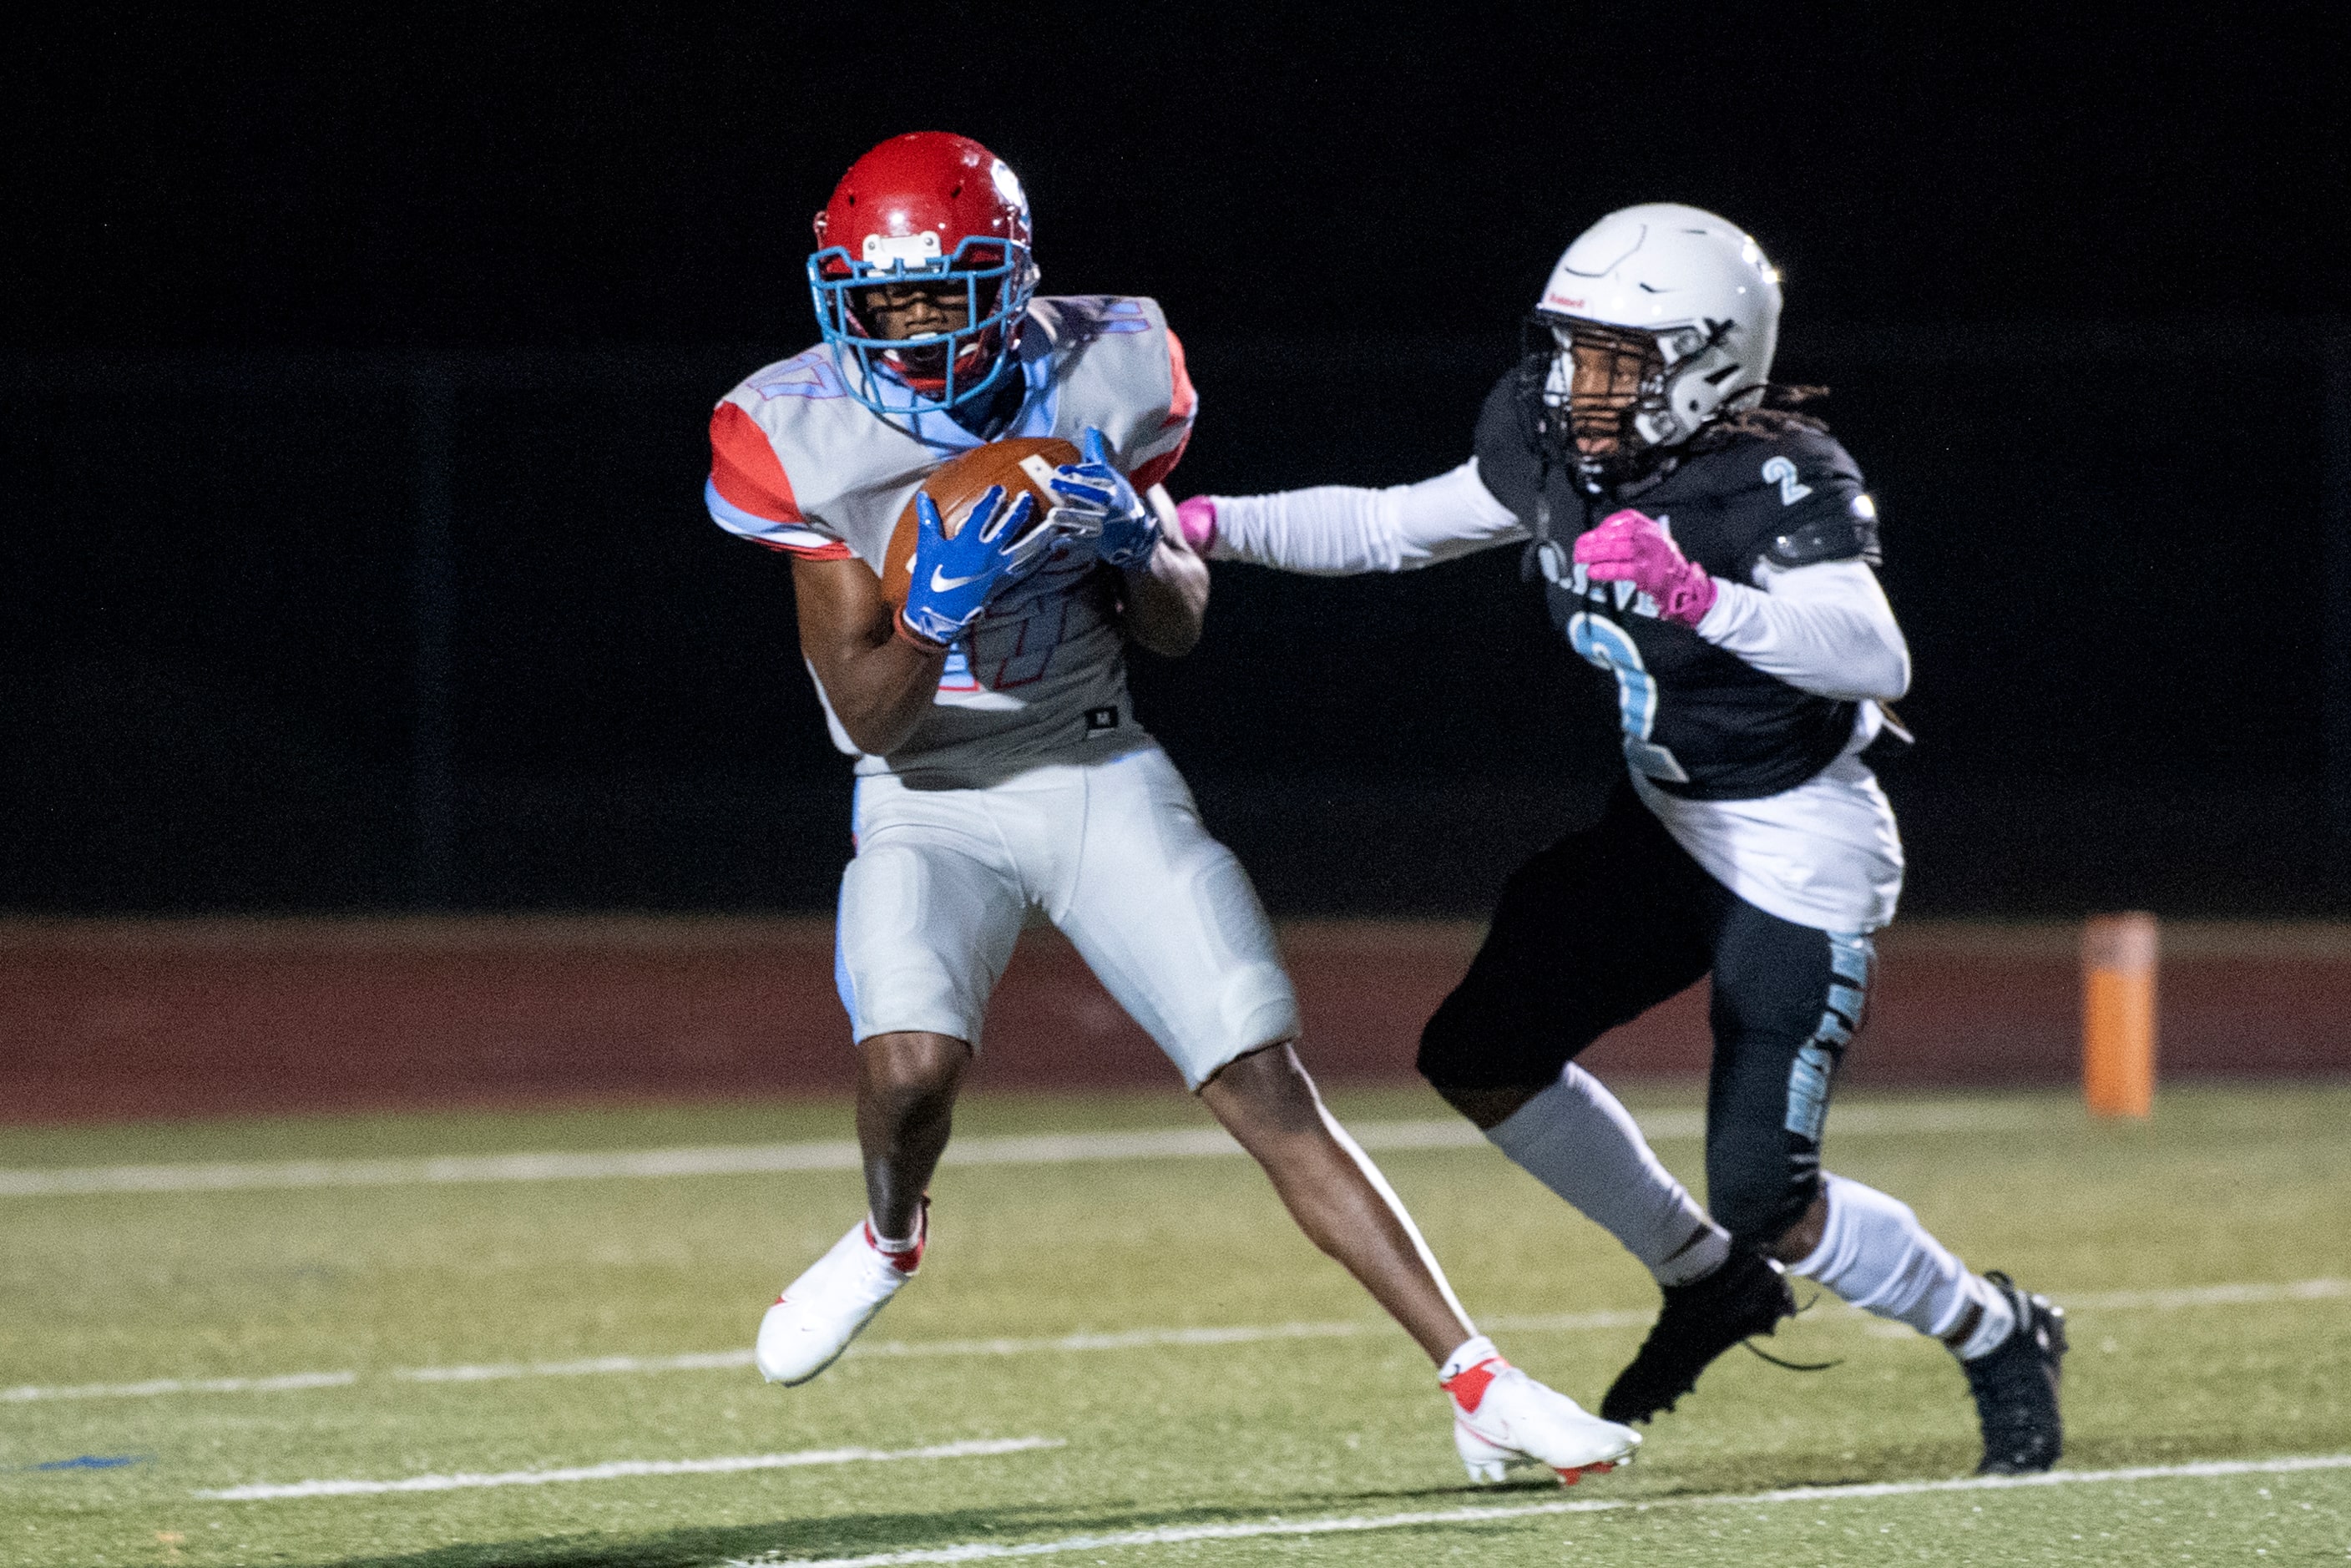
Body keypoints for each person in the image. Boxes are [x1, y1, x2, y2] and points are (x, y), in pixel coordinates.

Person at [701, 131, 1641, 1485]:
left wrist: (1140, 542)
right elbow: (869, 715)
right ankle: (889, 1236)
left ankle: (1480, 1379)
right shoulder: (790, 428)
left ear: (1009, 276)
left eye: (933, 296)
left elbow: (1180, 625)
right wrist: (934, 610)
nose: (904, 331)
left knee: (1262, 1074)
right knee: (909, 1071)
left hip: (1091, 757)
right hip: (928, 785)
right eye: (881, 300)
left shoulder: (1118, 362)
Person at [1176, 204, 2067, 1476]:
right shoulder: (1553, 445)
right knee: (1478, 1051)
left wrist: (1707, 597)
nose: (1575, 386)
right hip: (1664, 822)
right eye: (1570, 350)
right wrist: (1208, 524)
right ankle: (1704, 1278)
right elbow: (1391, 525)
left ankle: (1995, 1327)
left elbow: (1874, 650)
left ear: (1711, 361)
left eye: (1614, 359)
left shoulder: (1779, 472)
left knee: (1772, 1191)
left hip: (1795, 846)